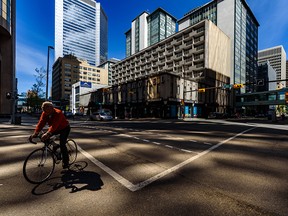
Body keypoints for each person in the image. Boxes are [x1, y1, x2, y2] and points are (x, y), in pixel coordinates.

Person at [30, 101, 71, 169]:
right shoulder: (45, 113)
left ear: (52, 108)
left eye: (47, 111)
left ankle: (66, 162)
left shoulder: (58, 113)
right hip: (55, 129)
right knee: (43, 137)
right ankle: (55, 146)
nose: (46, 113)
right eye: (44, 111)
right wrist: (35, 133)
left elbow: (55, 125)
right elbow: (41, 123)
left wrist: (48, 133)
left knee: (62, 144)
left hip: (64, 128)